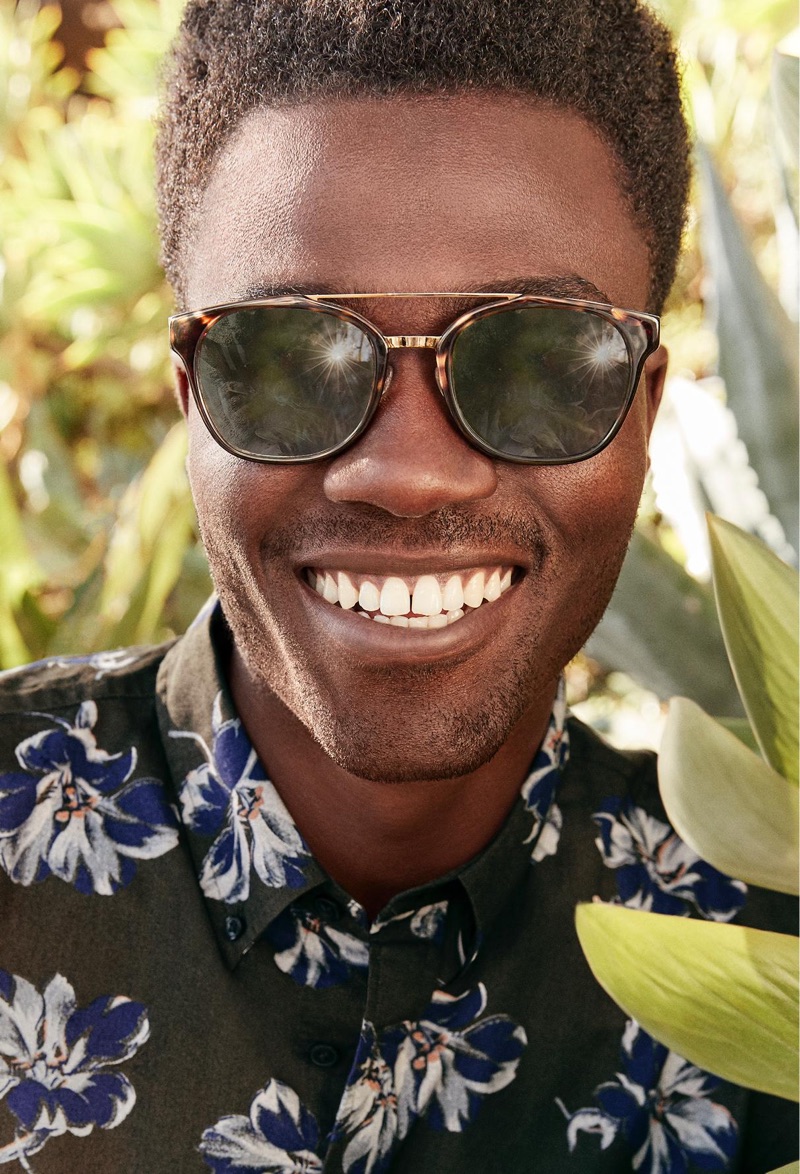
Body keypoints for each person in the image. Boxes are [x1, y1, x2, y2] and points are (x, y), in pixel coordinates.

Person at [0, 1, 795, 1171]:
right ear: (190, 398)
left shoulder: (770, 946)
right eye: (285, 355)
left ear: (643, 408)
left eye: (537, 355)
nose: (408, 475)